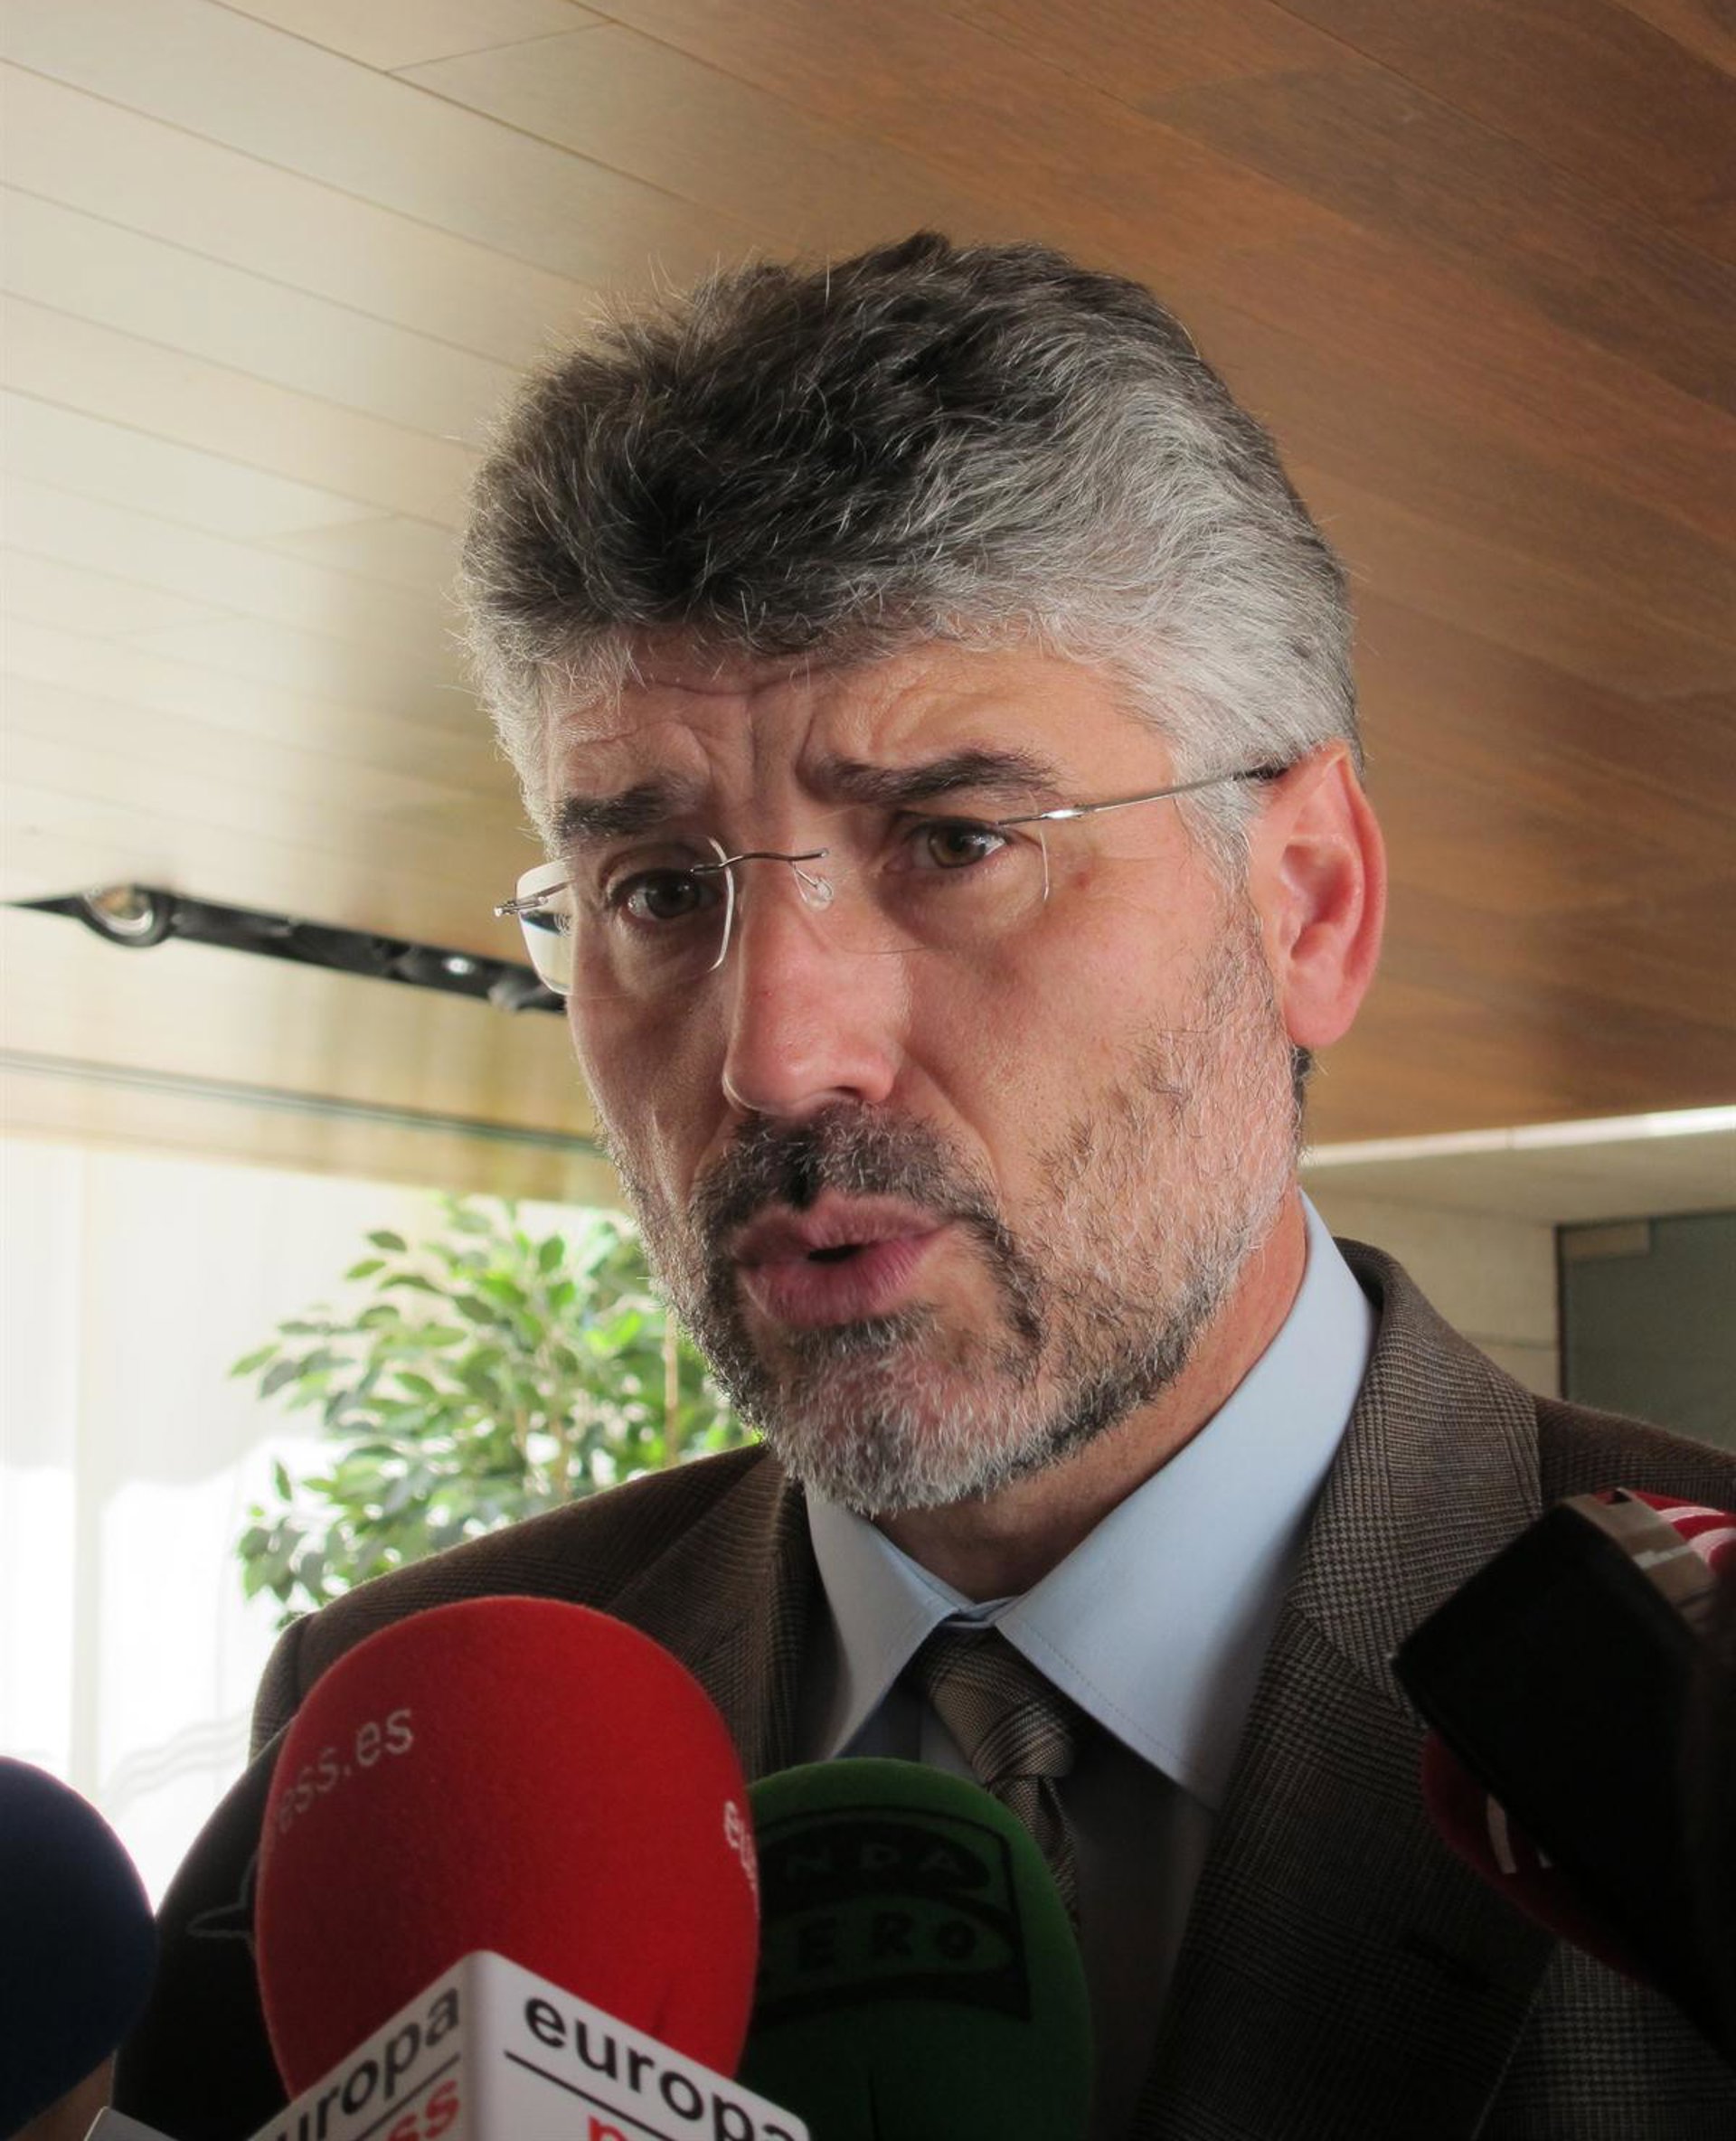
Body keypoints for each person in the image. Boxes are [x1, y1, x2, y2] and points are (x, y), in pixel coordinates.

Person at [119, 236, 1735, 2138]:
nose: (776, 1056)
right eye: (657, 891)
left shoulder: (1701, 1695)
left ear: (1305, 905)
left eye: (956, 841)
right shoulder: (388, 1737)